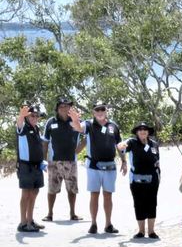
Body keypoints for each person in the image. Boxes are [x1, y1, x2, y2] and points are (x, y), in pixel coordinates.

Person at [71, 102, 127, 234]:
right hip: (93, 167)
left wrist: (124, 161)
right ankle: (94, 223)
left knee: (108, 196)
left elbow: (119, 145)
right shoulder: (89, 124)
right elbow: (79, 128)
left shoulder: (113, 126)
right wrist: (75, 119)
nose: (100, 112)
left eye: (102, 109)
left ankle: (108, 224)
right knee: (94, 195)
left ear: (106, 111)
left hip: (110, 166)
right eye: (97, 109)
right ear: (93, 112)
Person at [42, 97, 84, 222]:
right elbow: (45, 142)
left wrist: (77, 151)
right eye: (61, 106)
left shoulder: (77, 121)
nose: (64, 108)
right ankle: (49, 214)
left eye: (67, 106)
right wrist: (43, 161)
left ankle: (73, 213)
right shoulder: (51, 122)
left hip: (71, 160)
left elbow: (87, 137)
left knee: (72, 189)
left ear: (70, 108)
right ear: (57, 109)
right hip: (54, 161)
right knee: (52, 189)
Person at [117, 122, 161, 238]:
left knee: (152, 203)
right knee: (139, 203)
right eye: (140, 129)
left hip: (153, 179)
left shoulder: (154, 144)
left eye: (145, 129)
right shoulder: (132, 142)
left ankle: (151, 231)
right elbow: (122, 146)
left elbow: (157, 161)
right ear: (136, 132)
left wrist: (159, 175)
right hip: (136, 179)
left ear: (148, 132)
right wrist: (121, 146)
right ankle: (141, 231)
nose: (142, 131)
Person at [16, 104, 46, 233]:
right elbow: (19, 123)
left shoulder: (37, 128)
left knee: (34, 193)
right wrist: (21, 115)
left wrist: (42, 162)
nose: (34, 118)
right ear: (27, 117)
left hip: (37, 166)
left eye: (36, 116)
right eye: (32, 115)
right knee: (26, 194)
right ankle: (23, 223)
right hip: (25, 166)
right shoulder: (23, 128)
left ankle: (30, 220)